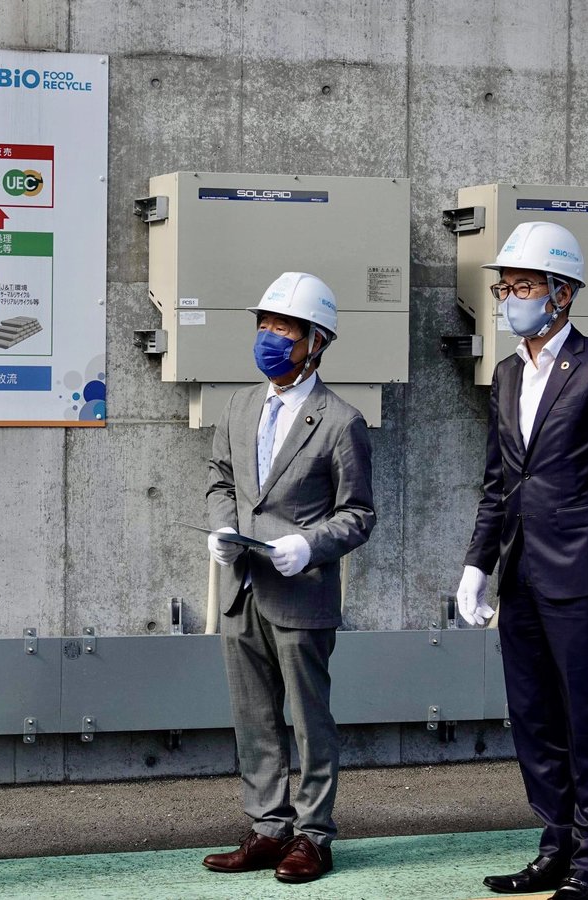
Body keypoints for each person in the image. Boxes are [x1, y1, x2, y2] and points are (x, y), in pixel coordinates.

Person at [456, 221, 588, 900]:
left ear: (562, 294)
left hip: (581, 575)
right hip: (520, 574)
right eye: (505, 288)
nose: (510, 299)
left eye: (523, 287)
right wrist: (477, 564)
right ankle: (555, 844)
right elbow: (499, 481)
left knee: (584, 716)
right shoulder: (508, 373)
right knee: (534, 717)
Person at [203, 272, 376, 884]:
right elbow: (221, 480)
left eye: (285, 329)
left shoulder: (341, 421)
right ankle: (268, 829)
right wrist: (221, 528)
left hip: (301, 591)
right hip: (242, 586)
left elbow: (359, 514)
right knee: (253, 718)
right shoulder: (239, 406)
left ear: (316, 342)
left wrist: (309, 546)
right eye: (265, 325)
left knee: (309, 719)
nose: (269, 338)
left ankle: (314, 836)